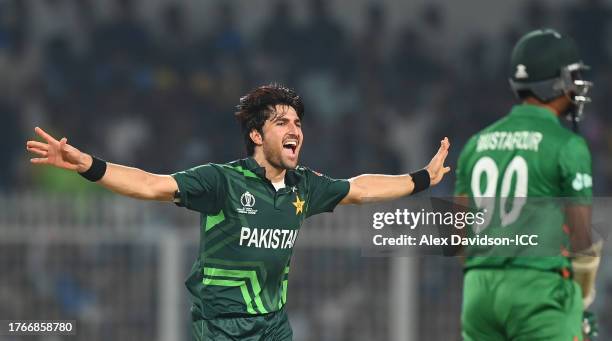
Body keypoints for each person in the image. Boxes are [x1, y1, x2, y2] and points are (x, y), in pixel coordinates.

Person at [27, 84, 451, 340]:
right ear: (255, 134)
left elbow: (359, 189)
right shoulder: (221, 181)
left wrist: (421, 180)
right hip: (220, 327)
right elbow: (151, 184)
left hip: (273, 325)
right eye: (282, 122)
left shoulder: (306, 185)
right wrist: (89, 166)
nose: (295, 130)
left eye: (298, 122)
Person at [454, 29, 600, 340]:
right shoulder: (567, 145)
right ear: (555, 83)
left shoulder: (476, 143)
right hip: (538, 290)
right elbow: (581, 240)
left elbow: (457, 242)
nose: (576, 85)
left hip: (478, 290)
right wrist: (577, 306)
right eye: (571, 76)